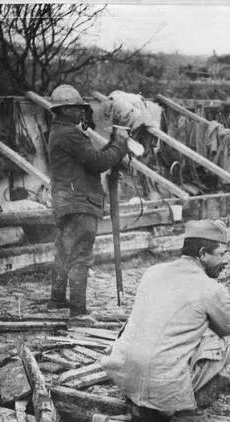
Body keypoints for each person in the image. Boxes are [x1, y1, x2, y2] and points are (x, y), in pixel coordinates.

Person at [101, 220, 230, 422]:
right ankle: (189, 413)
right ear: (202, 253)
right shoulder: (209, 288)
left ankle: (141, 406)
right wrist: (229, 309)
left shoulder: (152, 272)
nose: (224, 262)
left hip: (127, 378)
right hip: (162, 384)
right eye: (221, 255)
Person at [46, 84, 129, 324]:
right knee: (80, 255)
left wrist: (111, 143)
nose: (81, 112)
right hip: (80, 202)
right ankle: (78, 311)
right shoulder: (70, 135)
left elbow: (89, 159)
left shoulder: (59, 131)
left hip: (65, 201)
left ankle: (57, 300)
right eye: (77, 108)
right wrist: (120, 143)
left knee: (63, 252)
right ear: (64, 110)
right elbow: (98, 162)